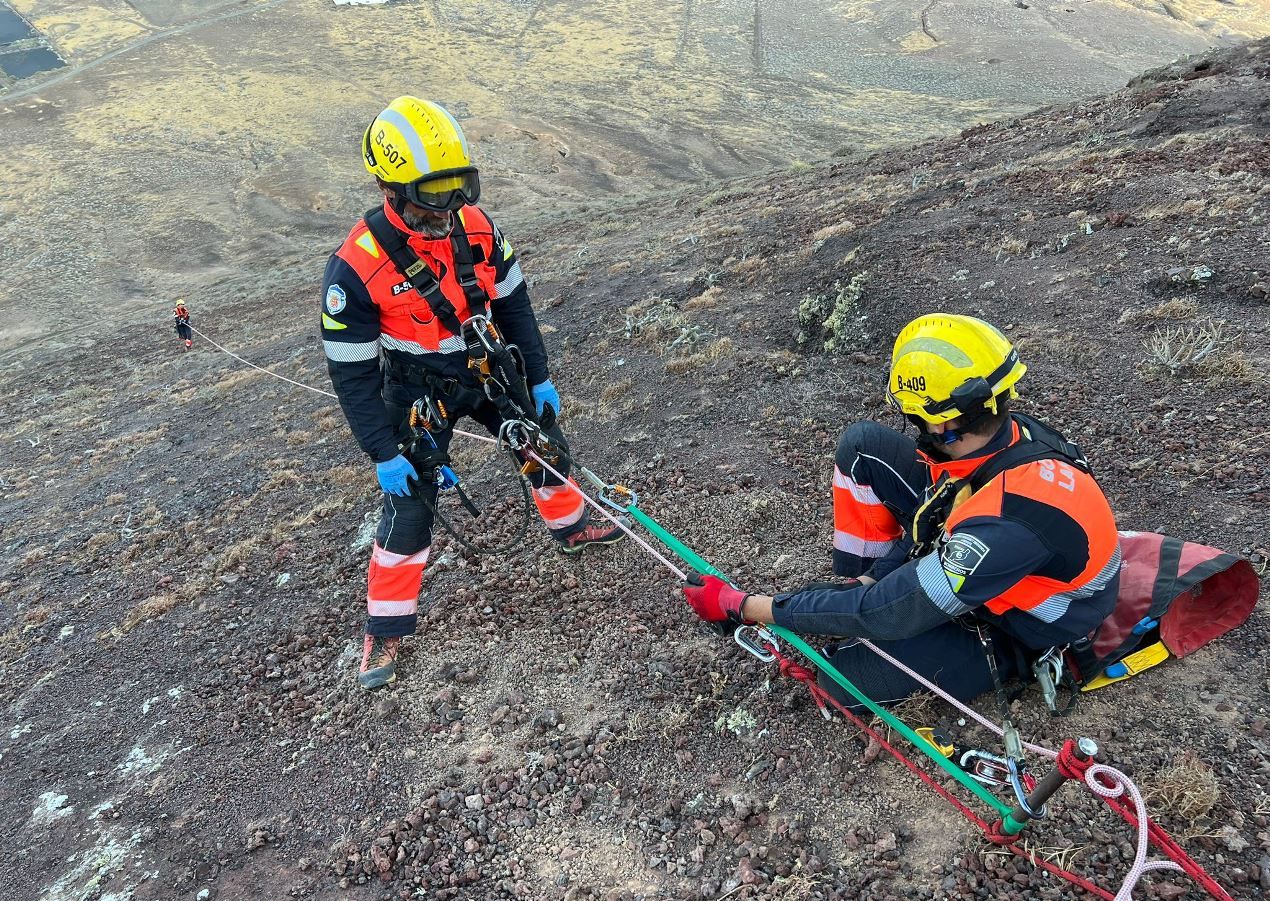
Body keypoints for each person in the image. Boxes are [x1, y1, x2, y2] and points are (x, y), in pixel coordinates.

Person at [321, 96, 624, 690]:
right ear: (392, 188)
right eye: (436, 194)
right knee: (410, 502)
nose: (452, 207)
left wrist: (536, 375)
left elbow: (515, 306)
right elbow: (351, 373)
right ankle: (385, 627)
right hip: (415, 384)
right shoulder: (354, 269)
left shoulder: (479, 229)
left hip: (487, 364)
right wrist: (383, 451)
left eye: (462, 188)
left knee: (543, 444)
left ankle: (570, 527)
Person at [681, 313, 1122, 709]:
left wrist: (741, 605)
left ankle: (994, 657)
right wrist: (871, 581)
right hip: (1005, 549)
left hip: (1023, 625)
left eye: (913, 415)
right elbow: (938, 510)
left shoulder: (1003, 524)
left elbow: (887, 613)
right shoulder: (1009, 438)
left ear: (944, 422)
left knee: (841, 681)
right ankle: (861, 579)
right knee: (864, 449)